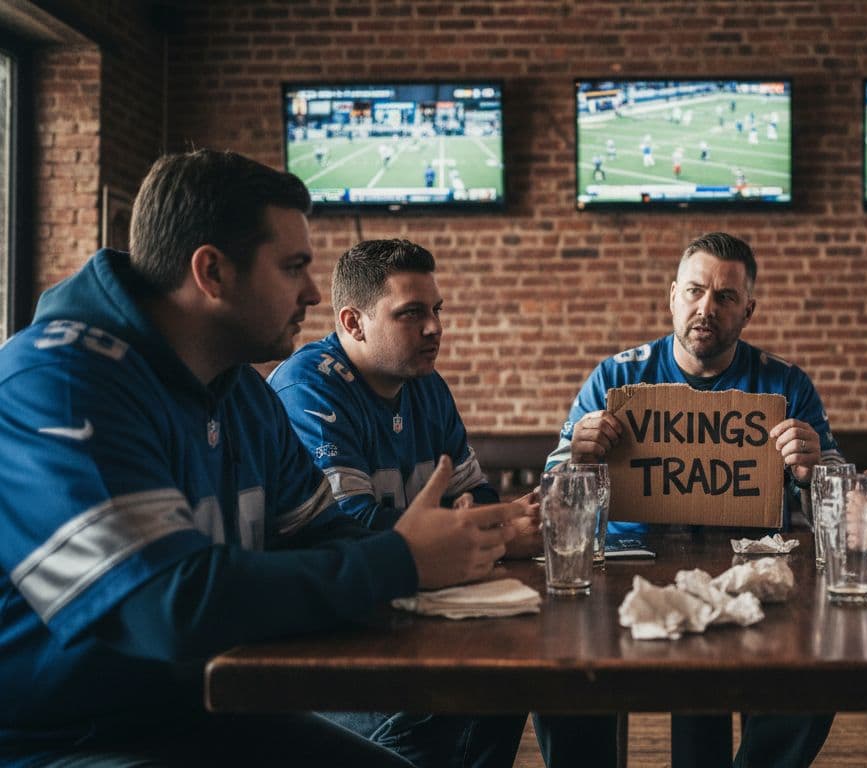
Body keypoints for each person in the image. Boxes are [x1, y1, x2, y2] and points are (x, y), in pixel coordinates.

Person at [0, 149, 525, 766]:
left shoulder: (242, 390)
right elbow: (165, 608)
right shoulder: (60, 383)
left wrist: (434, 552)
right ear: (212, 272)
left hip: (202, 713)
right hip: (63, 741)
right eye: (293, 266)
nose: (310, 291)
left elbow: (318, 534)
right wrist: (404, 558)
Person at [269, 239, 603, 768]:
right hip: (333, 649)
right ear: (353, 323)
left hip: (409, 621)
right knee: (485, 689)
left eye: (436, 310)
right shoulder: (306, 389)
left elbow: (480, 494)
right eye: (412, 314)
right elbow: (347, 527)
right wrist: (490, 534)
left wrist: (506, 519)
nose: (434, 328)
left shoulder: (425, 386)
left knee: (544, 667)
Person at [546, 232, 842, 768]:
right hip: (628, 568)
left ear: (748, 309)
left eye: (726, 297)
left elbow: (838, 490)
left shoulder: (785, 383)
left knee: (813, 681)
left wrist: (812, 468)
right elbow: (551, 489)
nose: (707, 307)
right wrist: (577, 459)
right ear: (672, 296)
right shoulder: (616, 377)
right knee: (561, 682)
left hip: (744, 572)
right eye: (695, 291)